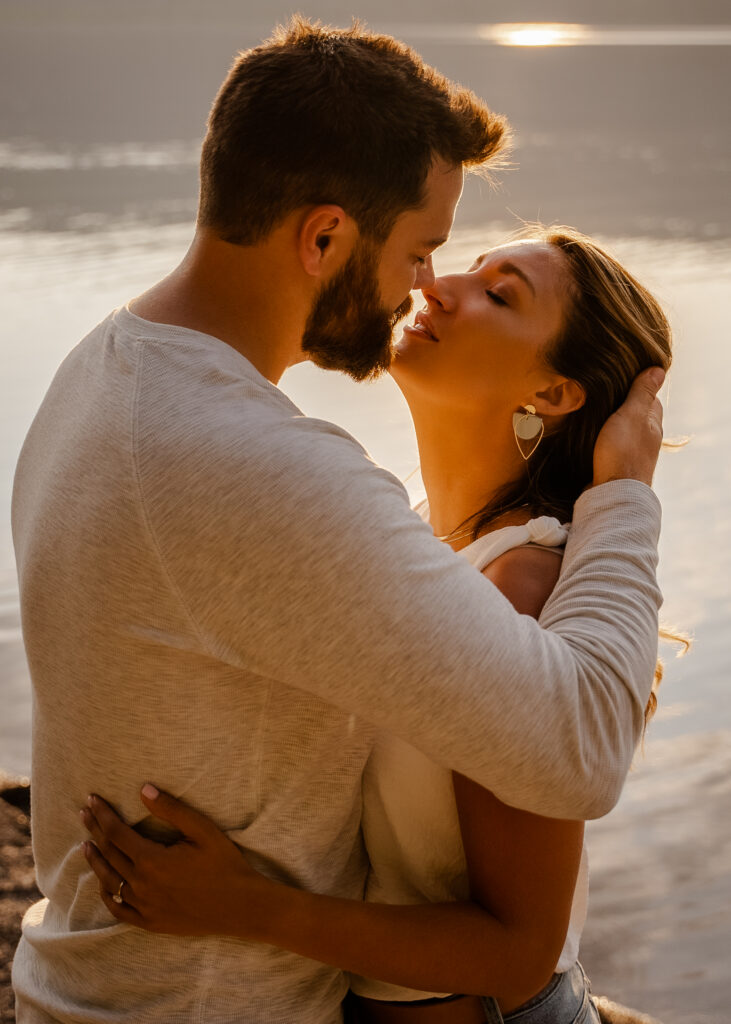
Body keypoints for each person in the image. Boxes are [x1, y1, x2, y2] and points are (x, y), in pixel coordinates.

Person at [11, 17, 664, 1024]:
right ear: (322, 237)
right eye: (419, 251)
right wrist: (624, 493)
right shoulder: (259, 467)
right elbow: (576, 745)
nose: (422, 286)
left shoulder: (99, 373)